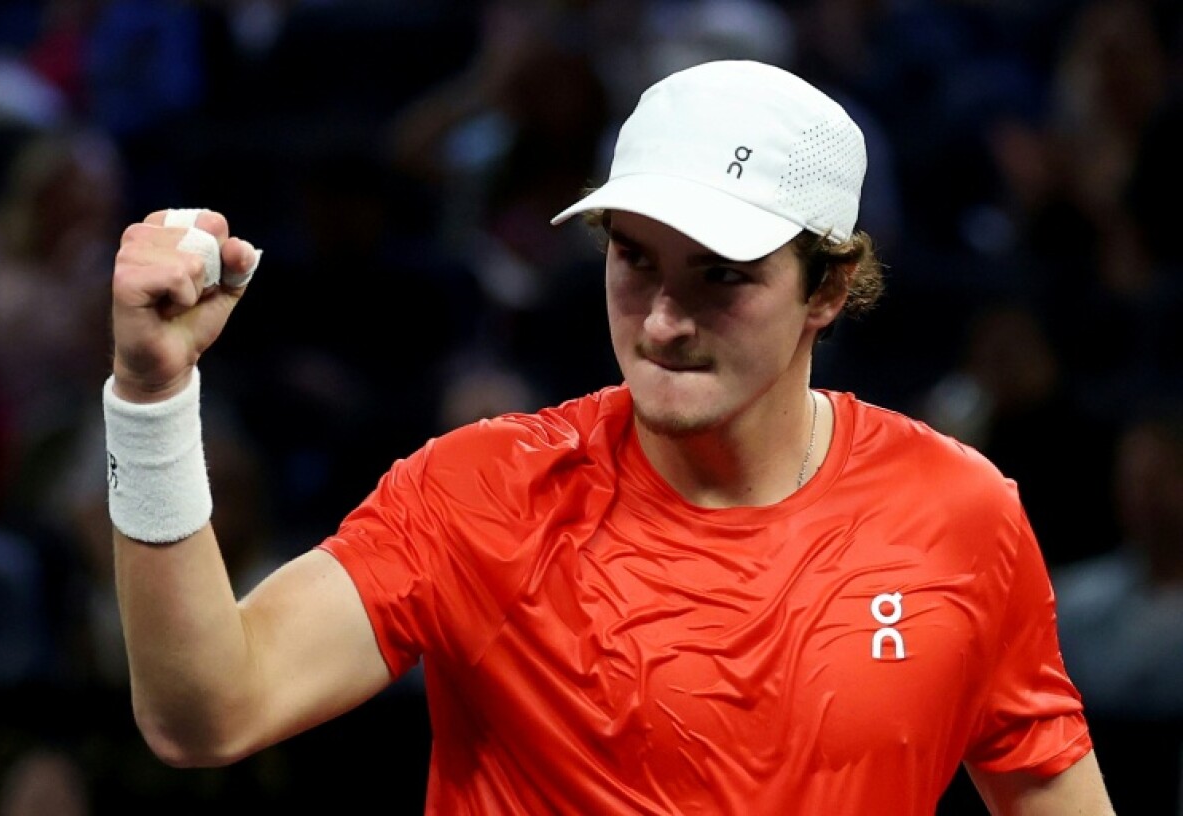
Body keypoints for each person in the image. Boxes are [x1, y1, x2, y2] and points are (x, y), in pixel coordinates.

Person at [101, 60, 1115, 814]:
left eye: (721, 274)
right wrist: (151, 396)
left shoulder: (959, 516)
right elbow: (208, 712)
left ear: (831, 287)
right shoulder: (480, 494)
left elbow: (1046, 791)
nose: (664, 320)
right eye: (635, 261)